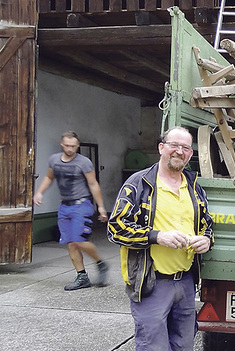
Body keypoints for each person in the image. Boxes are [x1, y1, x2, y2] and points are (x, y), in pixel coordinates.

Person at [107, 126, 214, 351]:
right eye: (173, 145)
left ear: (190, 154)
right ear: (161, 148)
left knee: (184, 345)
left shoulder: (194, 187)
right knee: (153, 347)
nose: (179, 151)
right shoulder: (140, 184)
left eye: (185, 147)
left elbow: (207, 224)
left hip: (185, 283)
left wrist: (206, 240)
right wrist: (157, 236)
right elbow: (115, 227)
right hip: (152, 283)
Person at [33, 131, 110, 291]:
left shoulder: (84, 162)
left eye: (73, 146)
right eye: (67, 146)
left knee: (79, 239)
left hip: (82, 205)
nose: (70, 149)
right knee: (70, 243)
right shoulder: (54, 160)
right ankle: (82, 276)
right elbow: (49, 177)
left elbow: (93, 184)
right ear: (62, 144)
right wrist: (39, 192)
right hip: (64, 206)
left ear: (78, 145)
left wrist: (101, 207)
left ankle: (101, 264)